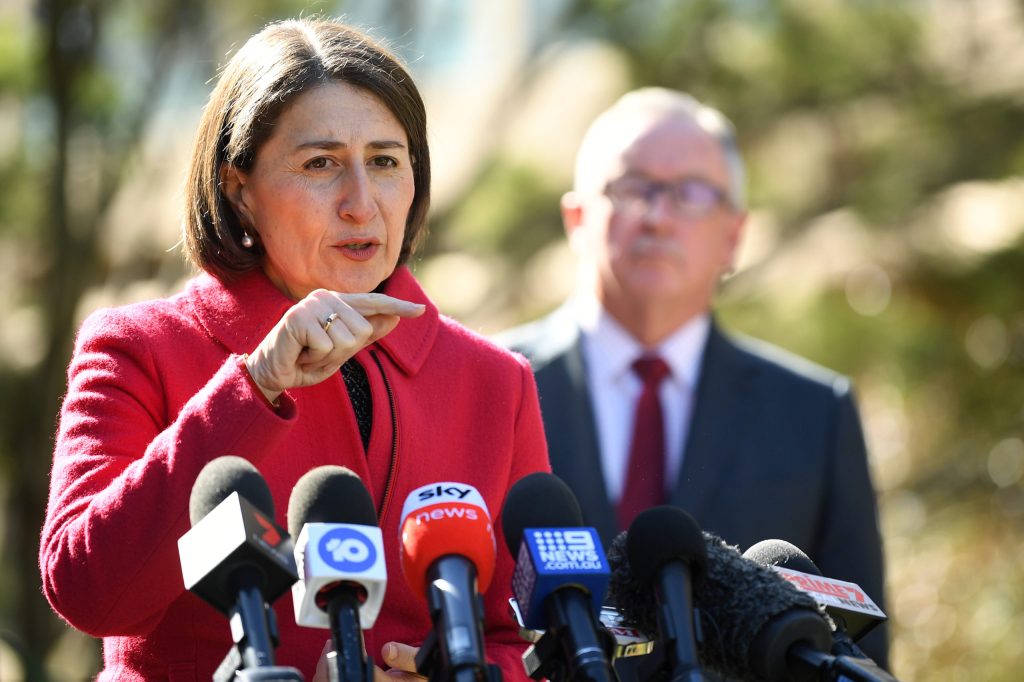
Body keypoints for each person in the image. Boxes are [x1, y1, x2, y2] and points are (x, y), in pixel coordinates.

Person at [38, 17, 549, 682]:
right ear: (237, 187)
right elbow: (89, 590)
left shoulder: (495, 381)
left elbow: (530, 637)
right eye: (320, 164)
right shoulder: (139, 348)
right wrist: (253, 386)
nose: (362, 204)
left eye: (387, 163)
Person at [497, 87, 890, 668]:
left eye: (690, 193)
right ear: (576, 218)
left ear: (734, 234)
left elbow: (859, 651)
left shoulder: (814, 413)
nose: (657, 217)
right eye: (633, 188)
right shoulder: (491, 385)